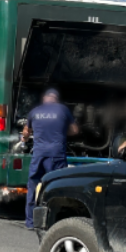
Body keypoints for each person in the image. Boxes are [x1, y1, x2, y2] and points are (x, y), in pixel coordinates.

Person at [22, 88, 79, 229]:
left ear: (45, 98)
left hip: (38, 155)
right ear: (56, 99)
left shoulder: (34, 111)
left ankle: (30, 222)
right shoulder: (63, 110)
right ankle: (53, 222)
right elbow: (75, 130)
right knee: (56, 187)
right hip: (56, 155)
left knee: (33, 187)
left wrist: (25, 137)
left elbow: (26, 133)